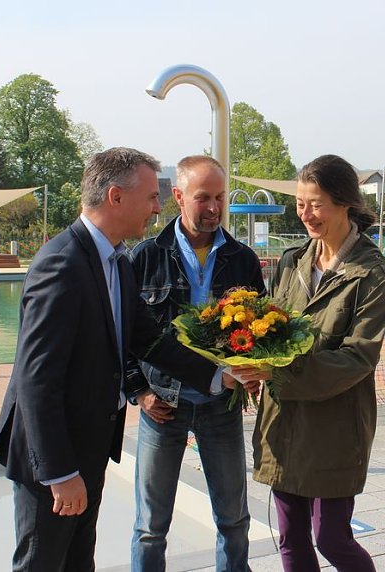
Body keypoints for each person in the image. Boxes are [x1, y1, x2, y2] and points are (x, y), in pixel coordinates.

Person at [0, 147, 228, 572]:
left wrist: (218, 376)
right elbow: (36, 380)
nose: (158, 209)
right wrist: (60, 473)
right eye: (152, 197)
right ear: (116, 197)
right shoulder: (62, 264)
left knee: (79, 561)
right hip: (54, 456)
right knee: (42, 563)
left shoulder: (117, 262)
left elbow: (149, 340)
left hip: (90, 445)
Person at [252, 154, 385, 572]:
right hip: (283, 420)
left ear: (344, 202)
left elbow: (358, 356)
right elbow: (270, 330)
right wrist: (247, 364)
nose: (306, 214)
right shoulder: (292, 261)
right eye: (300, 203)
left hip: (336, 425)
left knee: (330, 537)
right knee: (290, 539)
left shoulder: (372, 272)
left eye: (315, 203)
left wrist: (277, 372)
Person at [128, 155, 267, 572]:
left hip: (220, 408)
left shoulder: (242, 259)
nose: (213, 207)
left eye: (220, 197)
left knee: (235, 521)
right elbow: (124, 336)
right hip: (163, 407)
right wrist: (139, 391)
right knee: (151, 528)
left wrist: (255, 370)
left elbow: (259, 331)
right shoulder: (145, 258)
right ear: (178, 196)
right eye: (203, 197)